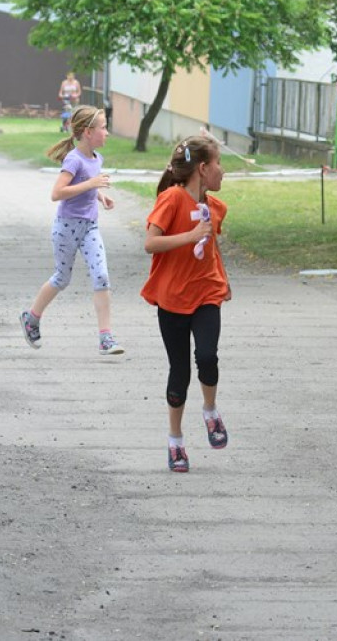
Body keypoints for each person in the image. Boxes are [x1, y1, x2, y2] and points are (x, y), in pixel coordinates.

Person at [141, 136, 230, 473]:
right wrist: (189, 236)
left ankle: (210, 411)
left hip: (207, 293)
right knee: (179, 373)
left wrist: (224, 280)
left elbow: (211, 247)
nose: (223, 171)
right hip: (173, 298)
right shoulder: (172, 199)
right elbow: (151, 243)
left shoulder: (215, 207)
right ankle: (175, 440)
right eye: (219, 163)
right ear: (203, 168)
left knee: (207, 356)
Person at [19, 105, 124, 356]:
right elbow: (57, 193)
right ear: (88, 132)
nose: (107, 132)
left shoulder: (97, 159)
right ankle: (31, 318)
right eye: (103, 127)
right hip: (66, 227)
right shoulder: (73, 159)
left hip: (90, 227)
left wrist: (100, 196)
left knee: (101, 276)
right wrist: (92, 183)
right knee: (61, 278)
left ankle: (106, 338)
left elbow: (86, 186)